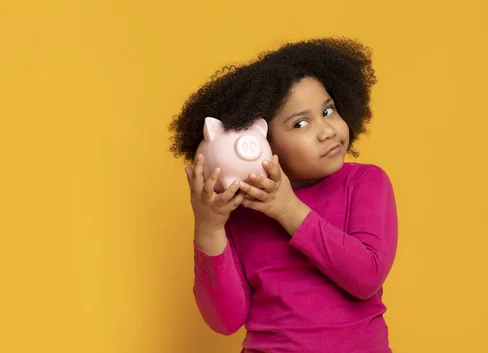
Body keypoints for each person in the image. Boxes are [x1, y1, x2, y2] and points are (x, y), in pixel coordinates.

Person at [168, 37, 398, 353]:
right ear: (263, 143)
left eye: (328, 110)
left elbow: (366, 276)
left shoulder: (365, 182)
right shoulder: (241, 215)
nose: (327, 129)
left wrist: (288, 209)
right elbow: (225, 321)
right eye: (300, 123)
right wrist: (209, 227)